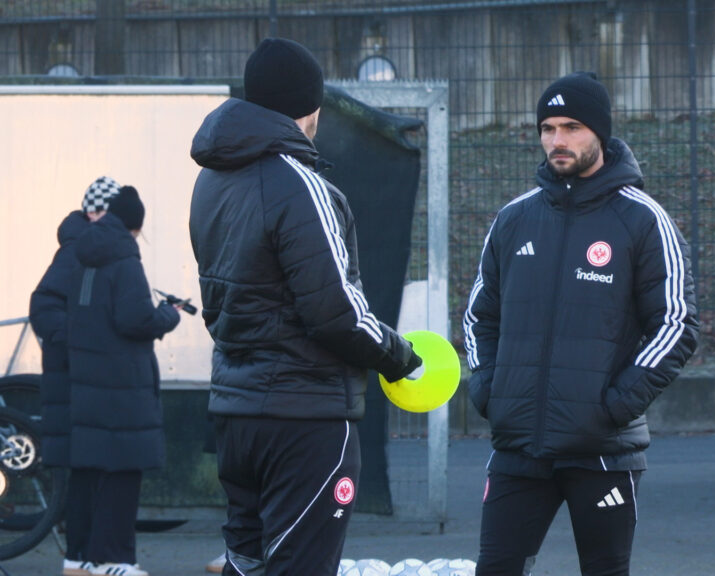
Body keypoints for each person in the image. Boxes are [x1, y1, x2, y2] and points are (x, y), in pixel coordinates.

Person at [188, 37, 422, 576]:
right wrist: (400, 356)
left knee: (245, 564)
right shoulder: (301, 185)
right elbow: (338, 312)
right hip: (304, 418)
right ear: (309, 108)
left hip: (235, 412)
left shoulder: (211, 180)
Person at [462, 72, 700, 576]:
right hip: (518, 448)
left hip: (603, 450)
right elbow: (479, 317)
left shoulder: (642, 220)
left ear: (600, 133)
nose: (557, 140)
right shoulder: (514, 219)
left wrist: (613, 406)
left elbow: (676, 324)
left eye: (571, 126)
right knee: (496, 567)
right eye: (548, 128)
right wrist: (489, 390)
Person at [65, 185, 182, 576]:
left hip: (88, 381)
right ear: (135, 226)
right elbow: (135, 321)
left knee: (88, 471)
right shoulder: (125, 259)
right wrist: (169, 314)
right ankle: (114, 559)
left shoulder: (83, 255)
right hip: (122, 385)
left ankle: (78, 558)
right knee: (122, 471)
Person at [29, 176, 121, 576]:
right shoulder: (77, 252)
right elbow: (44, 305)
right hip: (77, 384)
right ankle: (82, 558)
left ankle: (89, 558)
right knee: (87, 474)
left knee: (93, 473)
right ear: (94, 213)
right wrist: (83, 340)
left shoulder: (100, 251)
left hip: (90, 384)